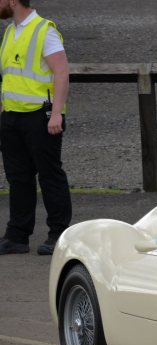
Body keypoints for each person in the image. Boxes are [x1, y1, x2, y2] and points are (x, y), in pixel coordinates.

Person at [0, 0, 70, 255]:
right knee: (18, 178)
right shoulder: (10, 31)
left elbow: (61, 72)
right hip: (12, 116)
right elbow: (9, 75)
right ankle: (17, 236)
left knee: (50, 175)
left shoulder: (44, 30)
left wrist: (56, 114)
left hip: (40, 115)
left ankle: (59, 234)